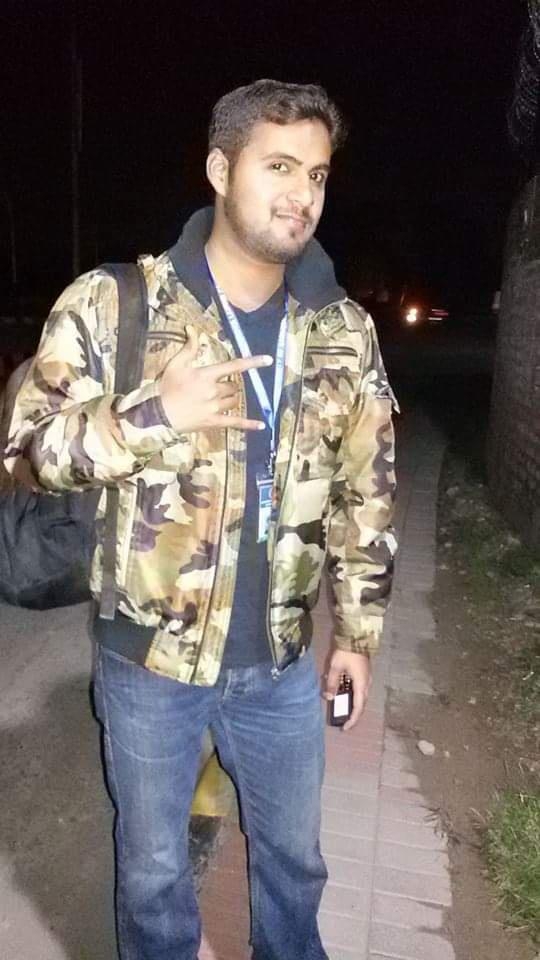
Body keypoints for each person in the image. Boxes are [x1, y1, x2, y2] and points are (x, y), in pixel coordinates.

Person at [5, 79, 398, 960]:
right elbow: (31, 452)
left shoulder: (342, 329)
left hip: (282, 665)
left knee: (295, 867)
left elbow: (366, 488)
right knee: (152, 875)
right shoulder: (115, 304)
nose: (302, 194)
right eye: (279, 167)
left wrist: (358, 634)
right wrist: (156, 414)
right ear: (221, 170)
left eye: (318, 174)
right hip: (150, 662)